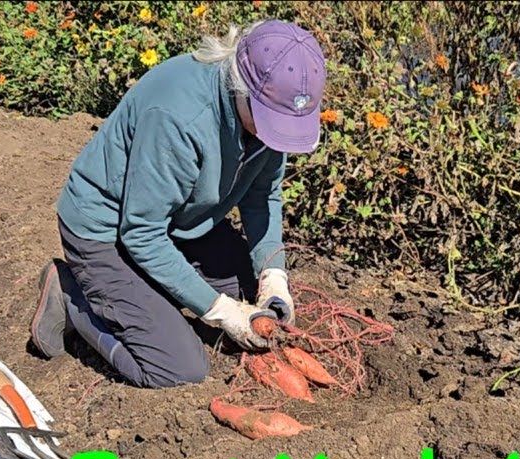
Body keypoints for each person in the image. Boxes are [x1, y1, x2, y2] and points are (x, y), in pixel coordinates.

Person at [28, 19, 326, 389]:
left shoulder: (266, 115)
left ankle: (145, 294)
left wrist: (274, 276)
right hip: (108, 234)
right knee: (178, 368)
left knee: (252, 305)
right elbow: (141, 233)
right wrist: (219, 312)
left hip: (180, 222)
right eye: (272, 121)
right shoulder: (179, 117)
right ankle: (73, 297)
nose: (277, 135)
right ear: (241, 87)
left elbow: (263, 196)